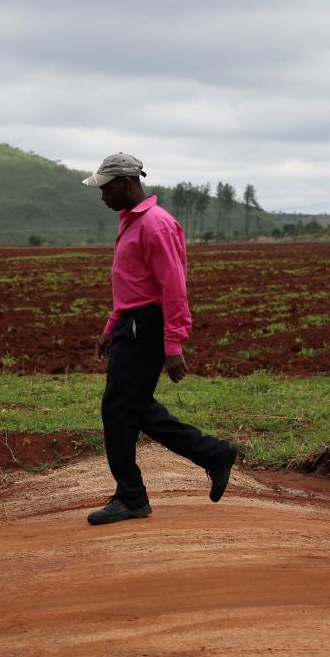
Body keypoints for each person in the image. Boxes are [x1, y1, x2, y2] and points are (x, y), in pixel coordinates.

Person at [82, 152, 238, 525]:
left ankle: (132, 496)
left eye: (105, 189)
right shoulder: (129, 221)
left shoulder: (156, 225)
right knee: (136, 408)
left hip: (146, 328)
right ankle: (213, 453)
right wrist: (111, 326)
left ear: (126, 183)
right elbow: (132, 283)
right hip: (130, 325)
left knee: (118, 409)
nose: (103, 198)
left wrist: (173, 344)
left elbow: (172, 289)